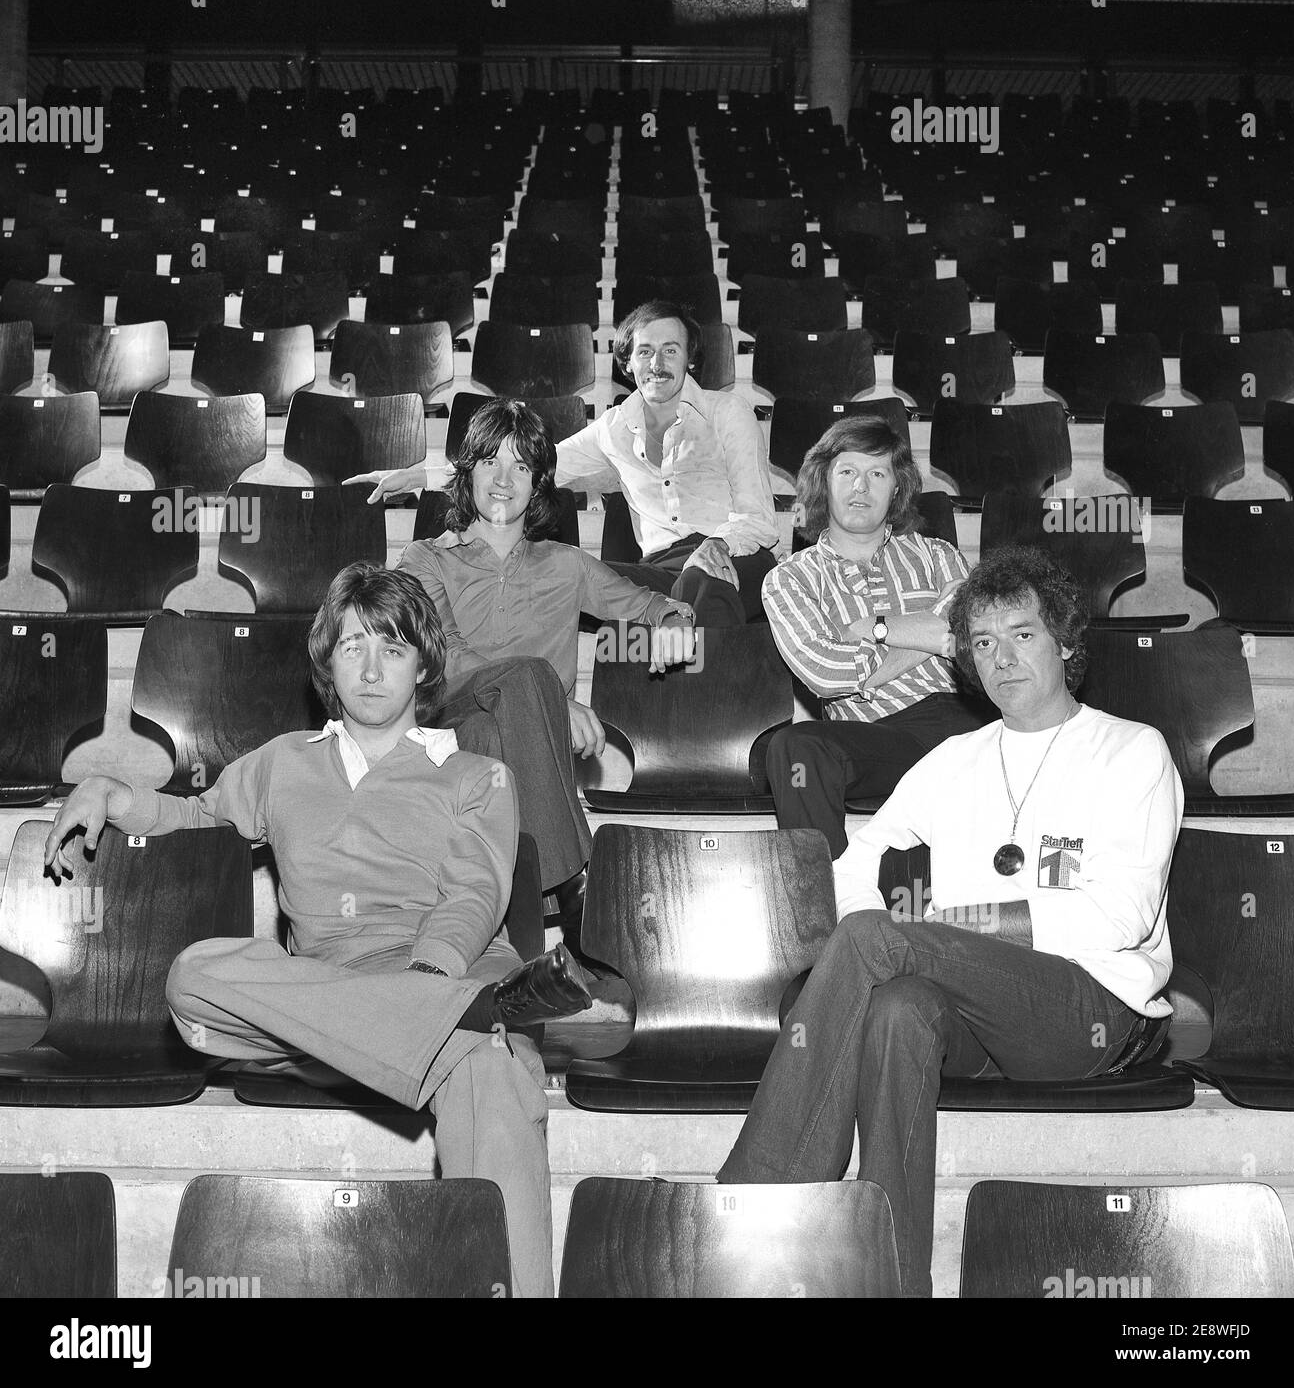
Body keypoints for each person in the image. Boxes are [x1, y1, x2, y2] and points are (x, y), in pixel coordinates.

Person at [43, 562, 595, 1299]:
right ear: (327, 662)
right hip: (330, 1007)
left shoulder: (476, 776)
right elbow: (199, 819)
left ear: (425, 663)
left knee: (492, 1071)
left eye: (392, 649)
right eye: (354, 646)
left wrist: (426, 983)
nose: (371, 669)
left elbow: (474, 892)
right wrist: (112, 791)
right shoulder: (281, 763)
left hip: (450, 977)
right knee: (194, 977)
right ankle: (451, 1026)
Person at [717, 546, 1184, 1297]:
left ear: (1065, 642)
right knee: (899, 1009)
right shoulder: (954, 759)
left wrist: (963, 925)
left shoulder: (1132, 750)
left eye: (1022, 635)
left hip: (1091, 1009)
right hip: (975, 1017)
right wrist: (918, 932)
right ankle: (888, 1278)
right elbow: (852, 868)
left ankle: (757, 1201)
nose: (1001, 658)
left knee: (880, 940)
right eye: (983, 643)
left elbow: (1120, 916)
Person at [398, 397, 698, 929]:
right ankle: (577, 887)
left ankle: (521, 940)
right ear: (468, 472)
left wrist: (675, 623)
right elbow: (442, 651)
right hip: (446, 726)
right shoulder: (426, 558)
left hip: (518, 749)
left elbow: (656, 606)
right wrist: (555, 697)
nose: (503, 479)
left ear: (538, 483)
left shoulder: (566, 565)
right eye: (491, 460)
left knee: (496, 747)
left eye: (521, 465)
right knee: (526, 683)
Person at [349, 300, 779, 626]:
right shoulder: (612, 428)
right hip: (665, 569)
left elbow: (758, 518)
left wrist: (718, 544)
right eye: (645, 352)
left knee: (699, 583)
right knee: (564, 573)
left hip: (735, 560)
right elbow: (525, 466)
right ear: (628, 362)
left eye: (671, 350)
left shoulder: (729, 411)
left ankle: (700, 709)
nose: (657, 364)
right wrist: (414, 475)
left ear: (690, 358)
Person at [762, 415, 988, 858]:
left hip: (960, 723)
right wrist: (929, 628)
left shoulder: (938, 555)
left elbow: (968, 636)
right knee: (795, 750)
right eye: (847, 472)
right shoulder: (789, 579)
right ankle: (832, 900)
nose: (860, 487)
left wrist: (874, 629)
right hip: (875, 739)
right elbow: (826, 673)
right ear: (824, 485)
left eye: (877, 473)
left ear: (897, 489)